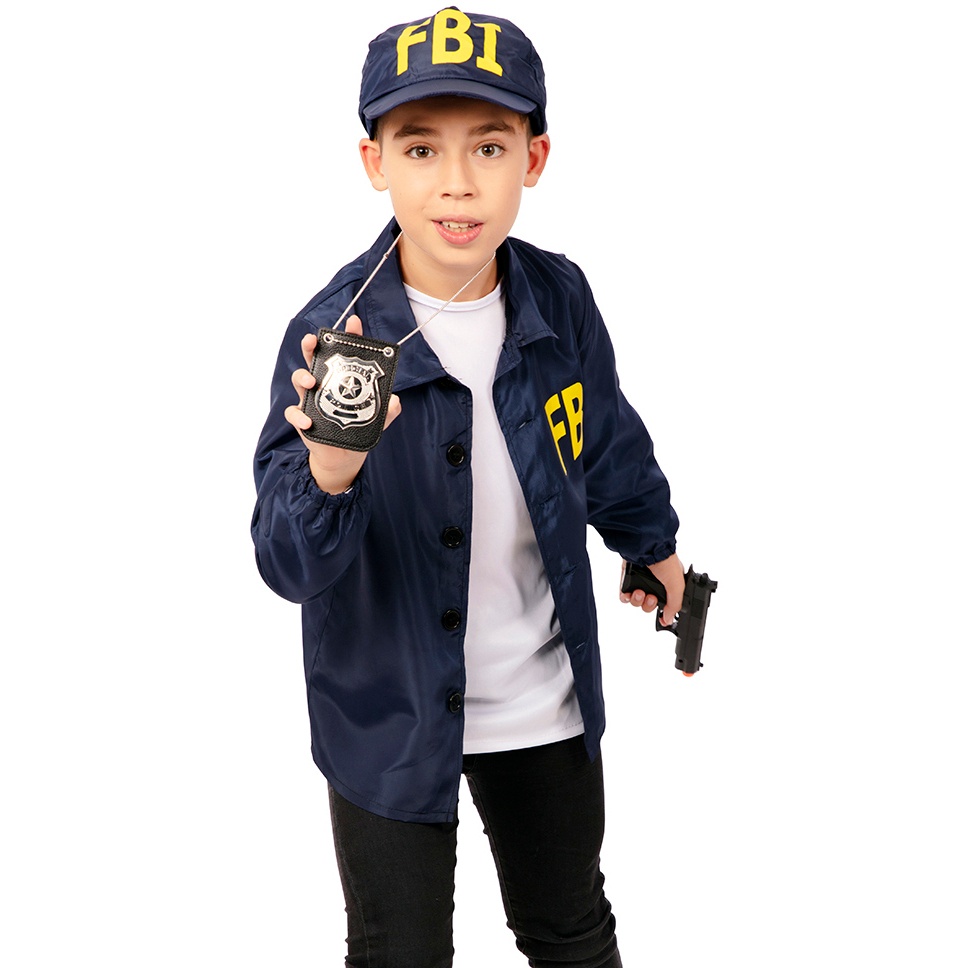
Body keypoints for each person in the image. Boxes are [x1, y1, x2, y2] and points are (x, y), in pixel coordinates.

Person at [252, 7, 685, 966]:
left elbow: (606, 440)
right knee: (399, 951)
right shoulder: (336, 335)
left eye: (488, 147)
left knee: (572, 930)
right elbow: (285, 563)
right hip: (388, 713)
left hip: (543, 699)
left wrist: (654, 548)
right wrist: (329, 473)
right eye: (420, 149)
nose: (457, 182)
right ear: (374, 163)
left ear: (534, 158)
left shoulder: (560, 296)